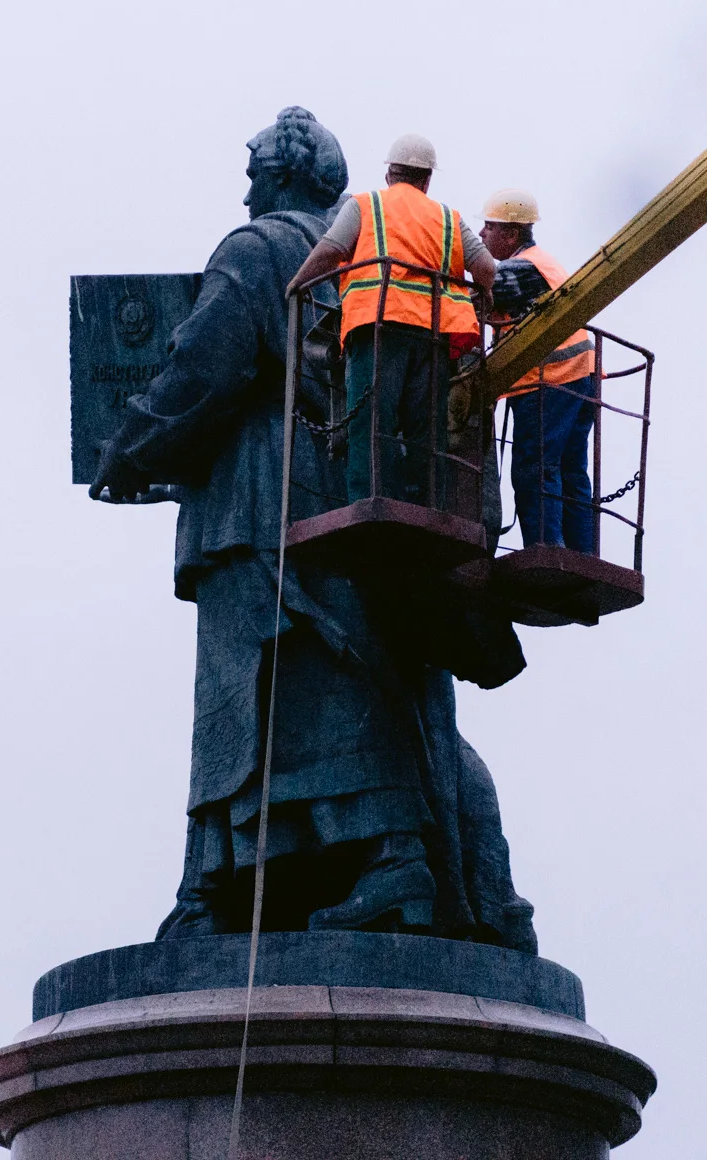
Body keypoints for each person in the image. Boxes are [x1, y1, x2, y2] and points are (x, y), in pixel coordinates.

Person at [89, 109, 535, 947]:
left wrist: (128, 450)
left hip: (266, 503)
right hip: (369, 485)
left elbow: (204, 368)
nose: (247, 187)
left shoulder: (258, 250)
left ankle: (370, 863)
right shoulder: (392, 251)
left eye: (255, 172)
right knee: (369, 678)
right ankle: (245, 876)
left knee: (280, 688)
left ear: (285, 179)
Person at [288, 135, 498, 508]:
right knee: (426, 428)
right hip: (433, 334)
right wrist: (483, 302)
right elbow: (484, 266)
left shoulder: (365, 206)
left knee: (371, 421)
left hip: (378, 325)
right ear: (427, 179)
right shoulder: (449, 219)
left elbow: (331, 249)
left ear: (389, 173)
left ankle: (371, 502)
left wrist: (297, 284)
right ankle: (429, 506)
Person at [482, 188, 597, 552]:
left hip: (551, 378)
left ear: (511, 234)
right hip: (582, 374)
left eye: (489, 227)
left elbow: (479, 294)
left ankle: (546, 547)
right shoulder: (544, 262)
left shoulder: (520, 267)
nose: (482, 235)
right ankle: (582, 551)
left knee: (536, 466)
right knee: (571, 468)